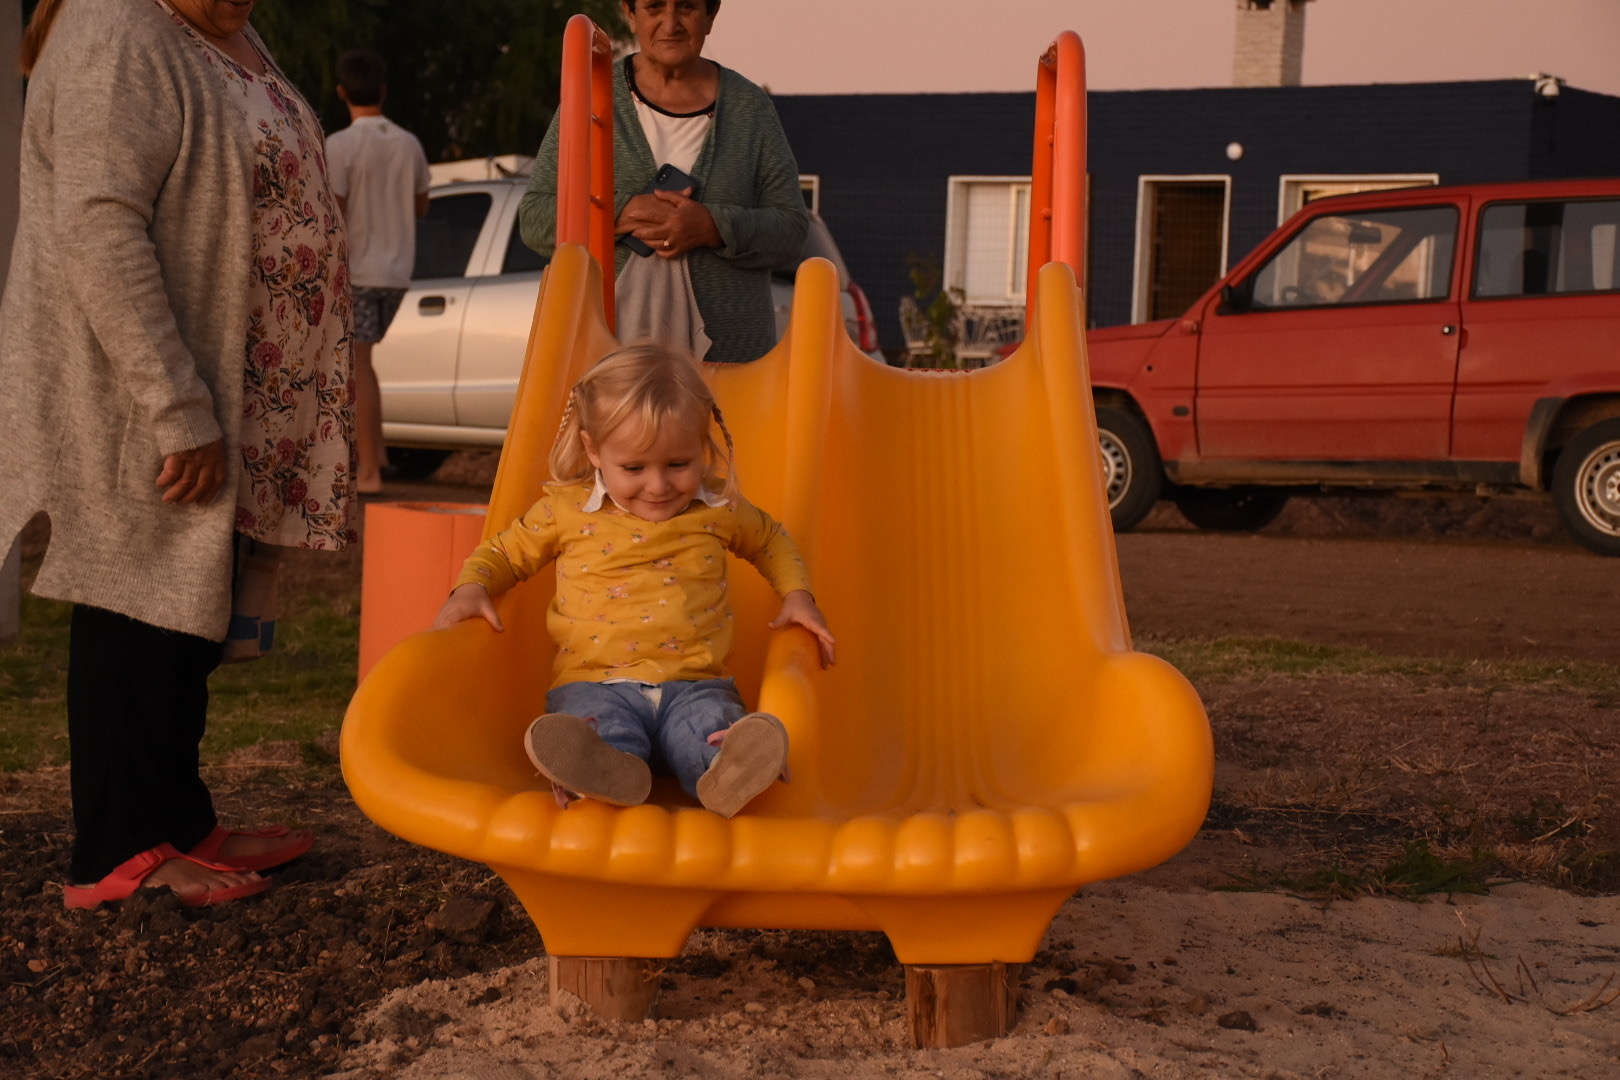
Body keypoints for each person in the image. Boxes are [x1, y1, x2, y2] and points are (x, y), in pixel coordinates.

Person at [0, 0, 355, 907]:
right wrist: (175, 402)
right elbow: (99, 223)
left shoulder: (214, 26)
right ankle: (116, 852)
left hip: (230, 389)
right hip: (148, 393)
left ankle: (176, 818)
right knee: (134, 606)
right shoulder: (116, 30)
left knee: (184, 617)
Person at [432, 344, 835, 817]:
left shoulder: (716, 509)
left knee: (711, 726)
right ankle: (599, 771)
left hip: (696, 683)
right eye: (635, 469)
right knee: (599, 732)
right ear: (593, 450)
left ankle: (728, 767)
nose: (659, 485)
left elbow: (771, 540)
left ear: (702, 446)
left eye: (678, 465)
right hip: (594, 683)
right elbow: (505, 551)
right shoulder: (566, 511)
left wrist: (798, 596)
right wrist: (472, 587)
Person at [518, 0, 808, 365]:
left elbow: (793, 229)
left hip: (730, 373)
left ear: (711, 15)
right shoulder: (589, 97)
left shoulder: (750, 107)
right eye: (654, 6)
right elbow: (535, 218)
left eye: (686, 7)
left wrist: (711, 226)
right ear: (630, 13)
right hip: (607, 366)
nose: (670, 23)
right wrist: (620, 211)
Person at [325, 49, 432, 494]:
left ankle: (368, 471)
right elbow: (422, 206)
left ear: (341, 93)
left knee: (358, 367)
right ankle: (378, 452)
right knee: (364, 364)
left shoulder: (340, 145)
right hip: (397, 273)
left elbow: (335, 213)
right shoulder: (409, 143)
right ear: (383, 91)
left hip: (358, 272)